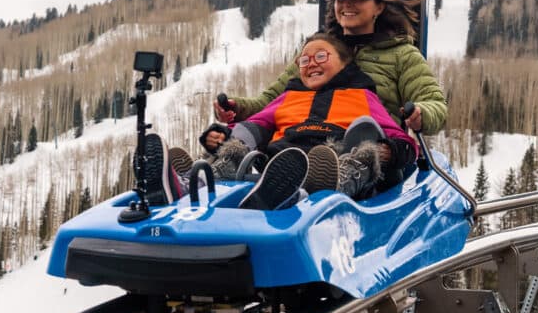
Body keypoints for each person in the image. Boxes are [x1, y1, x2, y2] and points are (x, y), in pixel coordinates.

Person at [214, 0, 447, 187]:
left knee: (360, 141)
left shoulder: (401, 55)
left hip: (367, 159)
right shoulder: (317, 52)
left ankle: (332, 178)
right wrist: (239, 108)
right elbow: (274, 100)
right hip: (302, 145)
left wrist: (420, 114)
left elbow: (434, 102)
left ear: (378, 7)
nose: (347, 5)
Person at [145, 33, 418, 210]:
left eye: (321, 56)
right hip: (279, 164)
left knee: (365, 140)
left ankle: (315, 189)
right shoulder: (288, 97)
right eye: (304, 60)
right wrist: (221, 136)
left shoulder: (363, 97)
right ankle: (190, 184)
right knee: (242, 140)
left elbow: (401, 139)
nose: (310, 64)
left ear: (345, 63)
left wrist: (390, 151)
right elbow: (255, 122)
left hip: (335, 164)